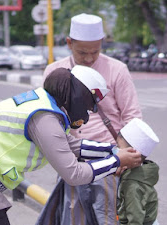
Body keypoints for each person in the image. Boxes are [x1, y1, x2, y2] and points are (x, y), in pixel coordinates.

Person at [0, 65, 143, 225]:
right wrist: (116, 162)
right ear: (77, 96)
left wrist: (112, 150)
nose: (90, 112)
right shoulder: (45, 118)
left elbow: (71, 145)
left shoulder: (45, 102)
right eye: (90, 104)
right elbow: (74, 174)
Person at [41, 13, 142, 225]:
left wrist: (122, 153)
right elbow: (50, 119)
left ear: (102, 43)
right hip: (73, 159)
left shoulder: (117, 70)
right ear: (69, 43)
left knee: (108, 217)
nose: (88, 58)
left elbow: (132, 116)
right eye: (82, 52)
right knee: (73, 216)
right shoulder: (55, 72)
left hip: (111, 157)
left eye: (95, 51)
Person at [115, 118, 160, 225]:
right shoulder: (141, 173)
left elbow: (135, 217)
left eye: (118, 147)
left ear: (132, 153)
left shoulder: (132, 184)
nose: (116, 151)